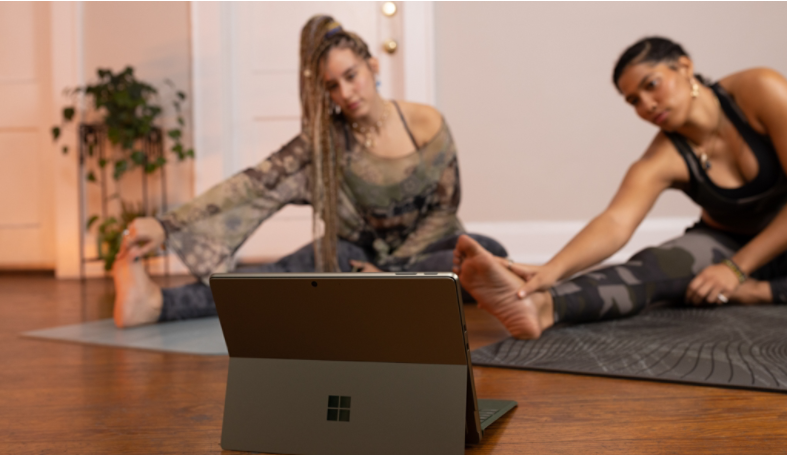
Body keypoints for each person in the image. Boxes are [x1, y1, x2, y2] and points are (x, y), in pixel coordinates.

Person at [113, 15, 506, 328]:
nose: (346, 93)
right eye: (332, 86)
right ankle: (156, 304)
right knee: (286, 276)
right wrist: (167, 225)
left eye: (351, 76)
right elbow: (251, 186)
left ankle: (385, 290)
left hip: (426, 251)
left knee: (488, 254)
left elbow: (443, 208)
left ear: (371, 66)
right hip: (354, 258)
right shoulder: (323, 143)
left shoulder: (424, 122)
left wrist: (387, 272)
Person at [454, 37, 787, 340]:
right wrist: (550, 271)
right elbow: (616, 222)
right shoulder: (662, 157)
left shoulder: (760, 90)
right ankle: (543, 307)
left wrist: (739, 273)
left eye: (652, 85)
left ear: (684, 67)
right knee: (650, 268)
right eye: (633, 100)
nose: (647, 105)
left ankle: (764, 292)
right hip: (723, 242)